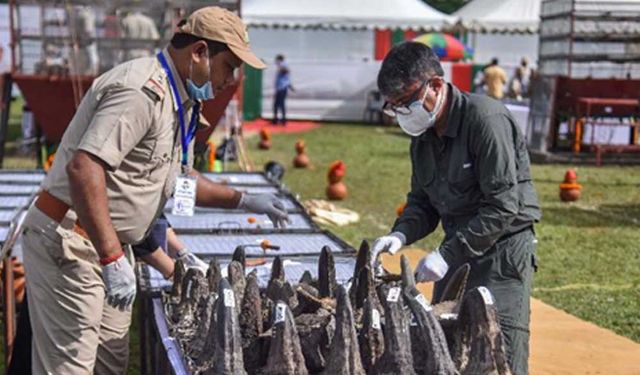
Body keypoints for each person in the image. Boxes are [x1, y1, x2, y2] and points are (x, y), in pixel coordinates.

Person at [21, 6, 287, 374]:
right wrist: (113, 258)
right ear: (199, 53)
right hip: (74, 243)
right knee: (70, 367)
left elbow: (175, 180)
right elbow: (84, 168)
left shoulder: (180, 101)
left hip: (105, 245)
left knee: (109, 364)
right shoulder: (140, 90)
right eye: (229, 66)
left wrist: (241, 199)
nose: (232, 79)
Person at [372, 42, 541, 375]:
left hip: (502, 251)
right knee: (445, 345)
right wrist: (400, 233)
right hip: (457, 248)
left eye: (405, 102)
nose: (401, 113)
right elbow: (422, 202)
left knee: (497, 351)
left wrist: (447, 254)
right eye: (394, 107)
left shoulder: (485, 120)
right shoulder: (422, 138)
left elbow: (502, 206)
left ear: (435, 85)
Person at [273, 54, 292, 125]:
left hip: (282, 88)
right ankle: (276, 119)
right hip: (280, 88)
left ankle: (283, 120)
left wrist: (280, 67)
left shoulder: (283, 65)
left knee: (281, 104)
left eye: (277, 60)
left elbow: (287, 71)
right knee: (276, 104)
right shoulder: (281, 65)